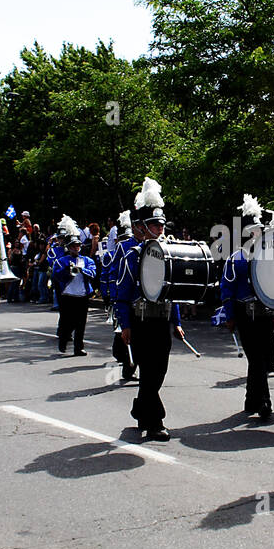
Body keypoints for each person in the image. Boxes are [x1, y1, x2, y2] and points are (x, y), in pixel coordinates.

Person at [115, 178, 183, 442]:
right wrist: (124, 325)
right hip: (140, 320)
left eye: (161, 224)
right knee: (150, 370)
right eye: (154, 224)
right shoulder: (131, 254)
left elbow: (172, 290)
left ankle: (140, 409)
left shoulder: (168, 252)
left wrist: (176, 320)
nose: (160, 228)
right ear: (141, 227)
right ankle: (156, 421)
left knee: (159, 370)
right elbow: (122, 294)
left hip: (162, 320)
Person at [220, 195, 274, 420]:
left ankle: (251, 399)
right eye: (253, 230)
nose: (257, 233)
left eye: (259, 230)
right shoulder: (236, 257)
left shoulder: (269, 256)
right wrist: (230, 316)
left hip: (264, 313)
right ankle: (264, 401)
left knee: (260, 358)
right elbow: (227, 289)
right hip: (245, 313)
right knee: (257, 358)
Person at [52, 216, 96, 356]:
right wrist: (68, 272)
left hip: (82, 295)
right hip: (68, 295)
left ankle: (79, 347)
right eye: (73, 246)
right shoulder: (62, 261)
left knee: (81, 323)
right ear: (68, 247)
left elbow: (93, 273)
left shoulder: (87, 260)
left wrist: (82, 270)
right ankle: (63, 339)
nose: (76, 248)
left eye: (77, 246)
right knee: (67, 322)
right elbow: (57, 276)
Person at [108, 211, 139, 380]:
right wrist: (115, 296)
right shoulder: (123, 247)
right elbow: (114, 274)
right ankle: (128, 366)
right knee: (125, 330)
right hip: (127, 297)